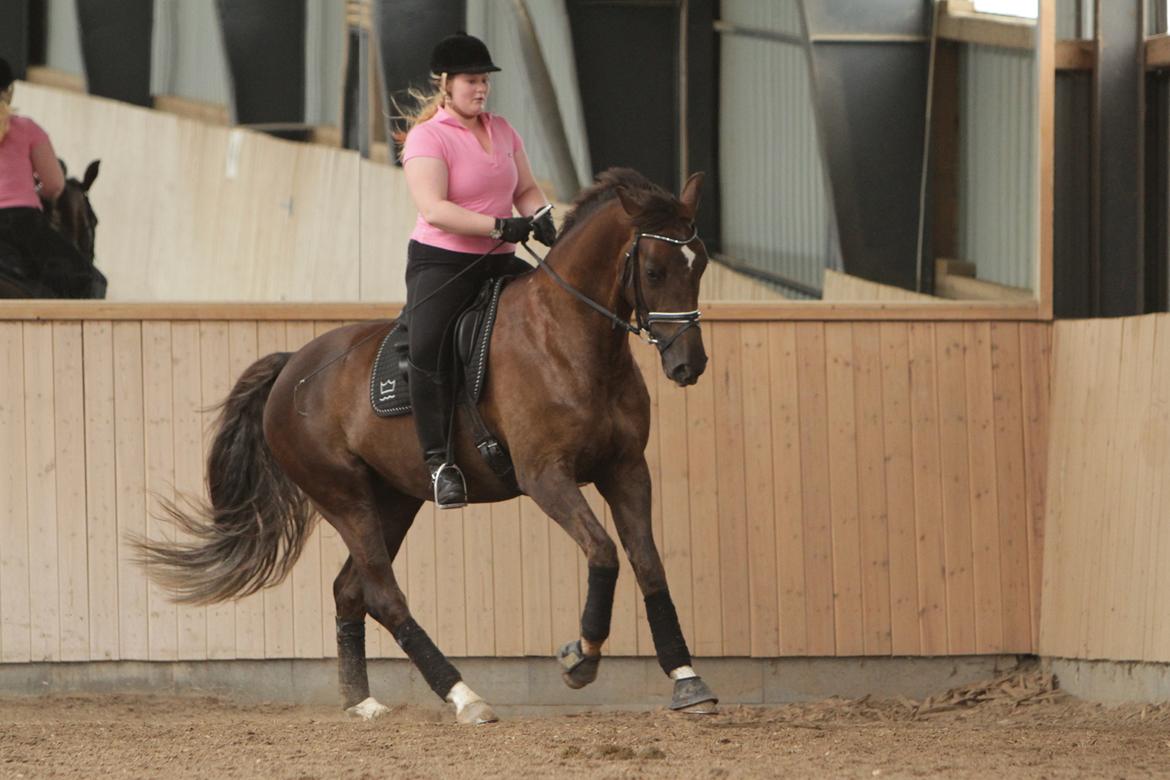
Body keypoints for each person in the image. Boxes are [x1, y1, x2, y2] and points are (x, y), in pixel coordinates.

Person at [395, 32, 557, 509]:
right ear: (446, 84)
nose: (481, 89)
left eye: (484, 80)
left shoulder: (504, 130)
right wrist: (499, 224)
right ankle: (440, 462)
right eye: (471, 81)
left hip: (499, 259)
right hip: (444, 262)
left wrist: (543, 217)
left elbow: (526, 187)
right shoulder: (429, 137)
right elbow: (436, 209)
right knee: (426, 350)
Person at [0, 56, 88, 296]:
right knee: (84, 278)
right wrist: (33, 190)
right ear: (9, 91)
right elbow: (54, 185)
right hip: (22, 223)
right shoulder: (27, 129)